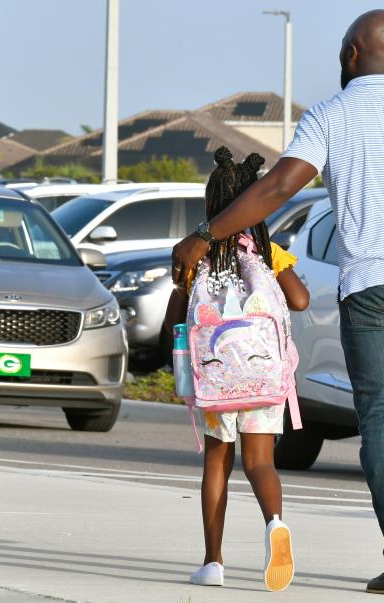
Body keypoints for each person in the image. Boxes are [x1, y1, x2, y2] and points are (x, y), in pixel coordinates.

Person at [171, 10, 384, 595]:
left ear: (352, 53)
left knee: (382, 419)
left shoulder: (331, 115)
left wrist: (207, 233)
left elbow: (279, 187)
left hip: (374, 284)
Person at [162, 147, 309, 592]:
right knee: (261, 461)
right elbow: (300, 300)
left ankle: (213, 562)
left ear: (211, 206)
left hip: (217, 378)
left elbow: (174, 320)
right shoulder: (269, 255)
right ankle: (274, 523)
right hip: (263, 378)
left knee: (217, 460)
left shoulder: (197, 261)